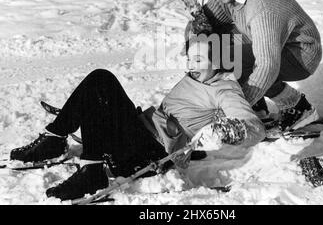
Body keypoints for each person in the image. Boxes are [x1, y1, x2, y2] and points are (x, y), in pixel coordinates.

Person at [10, 34, 265, 201]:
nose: (190, 65)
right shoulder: (202, 75)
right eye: (189, 58)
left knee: (102, 81)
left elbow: (255, 128)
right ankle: (54, 139)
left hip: (151, 153)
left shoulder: (225, 89)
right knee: (101, 82)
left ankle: (92, 172)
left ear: (218, 60)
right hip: (140, 135)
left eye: (198, 59)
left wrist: (228, 130)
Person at [198, 0, 323, 132]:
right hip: (271, 45)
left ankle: (296, 106)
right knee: (213, 46)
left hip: (301, 54)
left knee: (227, 58)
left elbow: (267, 65)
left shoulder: (262, 7)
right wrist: (197, 34)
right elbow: (206, 20)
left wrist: (240, 107)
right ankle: (259, 108)